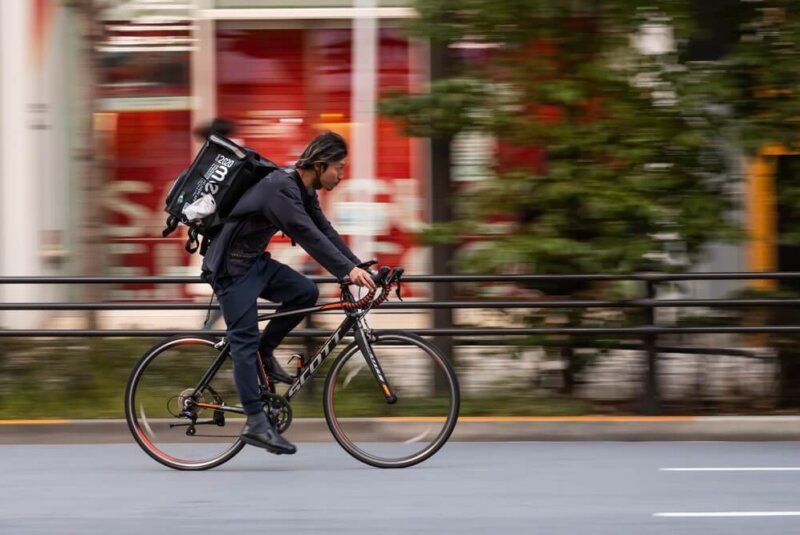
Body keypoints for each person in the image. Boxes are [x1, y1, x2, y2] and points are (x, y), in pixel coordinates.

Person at [201, 131, 376, 455]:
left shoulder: (303, 189)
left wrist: (360, 266)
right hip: (231, 270)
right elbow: (307, 235)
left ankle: (265, 354)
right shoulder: (281, 188)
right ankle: (255, 421)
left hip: (254, 264)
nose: (341, 174)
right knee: (243, 341)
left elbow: (324, 230)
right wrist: (347, 272)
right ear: (321, 165)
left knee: (305, 292)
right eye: (339, 167)